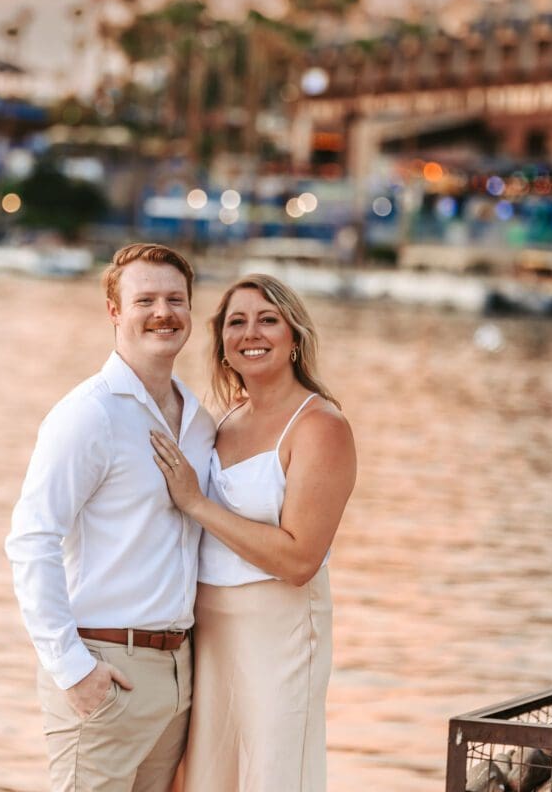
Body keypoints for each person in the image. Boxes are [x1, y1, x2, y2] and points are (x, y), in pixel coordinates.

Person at [6, 243, 215, 792]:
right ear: (114, 311)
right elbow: (31, 540)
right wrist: (73, 670)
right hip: (104, 667)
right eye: (145, 299)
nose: (163, 312)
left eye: (175, 299)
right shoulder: (87, 414)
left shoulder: (197, 419)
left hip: (177, 675)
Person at [150, 273, 356, 792]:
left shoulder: (320, 427)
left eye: (268, 319)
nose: (251, 333)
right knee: (204, 776)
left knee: (273, 772)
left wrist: (196, 502)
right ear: (221, 343)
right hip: (210, 630)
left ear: (294, 338)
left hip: (279, 630)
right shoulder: (224, 420)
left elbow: (298, 560)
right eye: (236, 323)